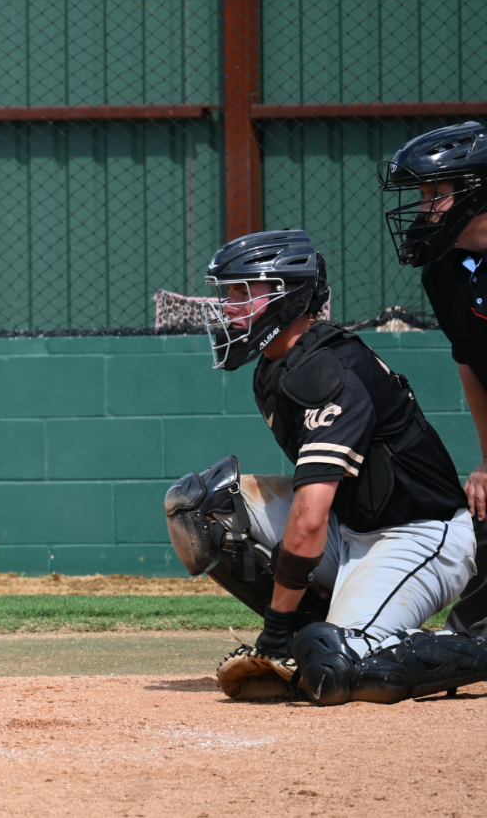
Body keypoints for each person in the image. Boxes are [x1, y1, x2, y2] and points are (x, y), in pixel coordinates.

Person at [163, 229, 487, 705]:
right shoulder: (277, 365)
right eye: (227, 292)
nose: (228, 306)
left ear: (286, 297)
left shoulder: (324, 371)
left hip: (418, 535)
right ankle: (306, 638)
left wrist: (271, 633)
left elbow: (310, 517)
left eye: (241, 292)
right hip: (351, 527)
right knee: (202, 508)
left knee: (342, 667)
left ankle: (475, 650)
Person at [379, 121, 487, 633]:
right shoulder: (445, 272)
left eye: (435, 194)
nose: (423, 209)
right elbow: (472, 363)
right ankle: (468, 637)